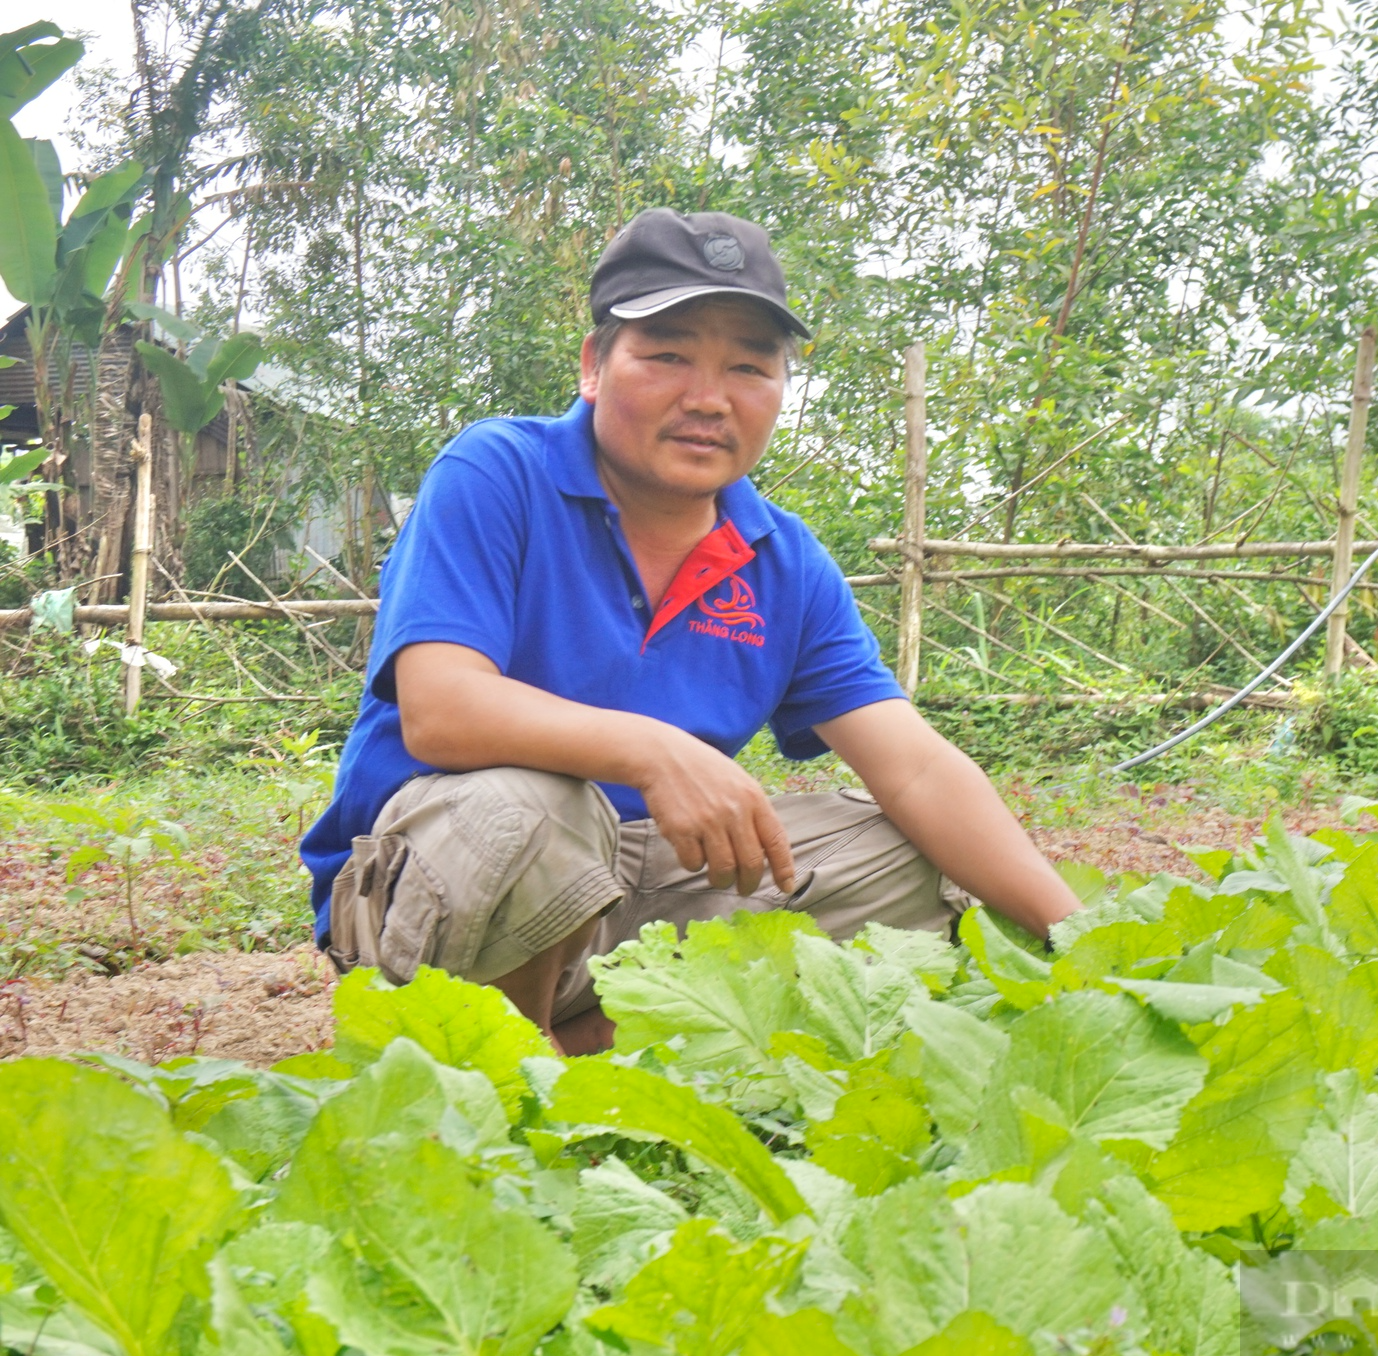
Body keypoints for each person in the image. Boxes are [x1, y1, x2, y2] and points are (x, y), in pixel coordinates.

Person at [300, 207, 1081, 1054]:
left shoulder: (783, 559)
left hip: (641, 884)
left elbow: (919, 767)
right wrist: (655, 750)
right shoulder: (497, 473)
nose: (708, 399)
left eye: (749, 367)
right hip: (450, 878)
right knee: (537, 807)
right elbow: (441, 709)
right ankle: (502, 1082)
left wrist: (1085, 941)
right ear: (595, 365)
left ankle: (609, 1040)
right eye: (668, 355)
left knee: (915, 851)